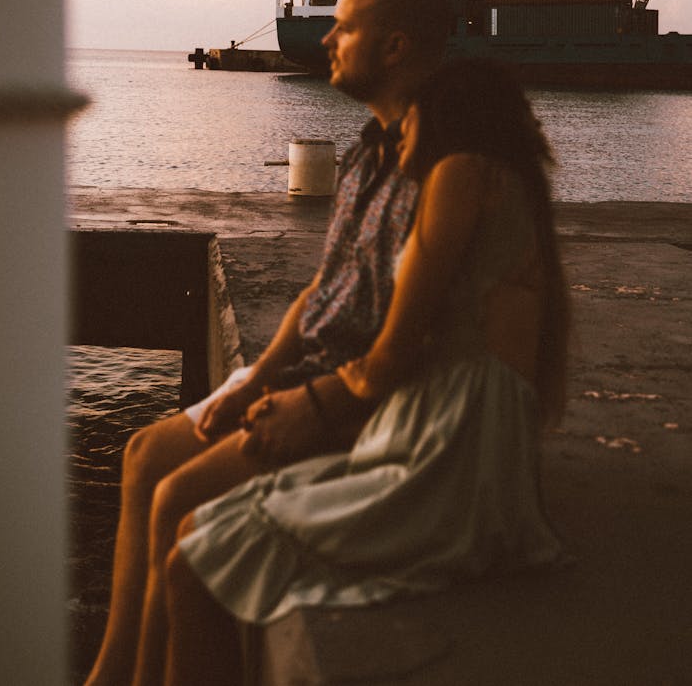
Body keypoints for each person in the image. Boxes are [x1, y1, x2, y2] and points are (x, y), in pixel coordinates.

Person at [84, 0, 451, 686]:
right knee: (140, 455)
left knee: (176, 501)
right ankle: (113, 670)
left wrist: (307, 402)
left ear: (396, 46)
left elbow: (415, 337)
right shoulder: (366, 153)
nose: (328, 37)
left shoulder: (438, 166)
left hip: (353, 407)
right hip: (306, 374)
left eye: (345, 25)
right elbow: (322, 293)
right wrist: (255, 374)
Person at [156, 58, 571, 685]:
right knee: (199, 540)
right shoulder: (504, 183)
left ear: (444, 119)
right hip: (451, 425)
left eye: (408, 127)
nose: (398, 142)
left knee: (201, 553)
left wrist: (307, 404)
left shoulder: (460, 174)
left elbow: (395, 348)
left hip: (450, 439)